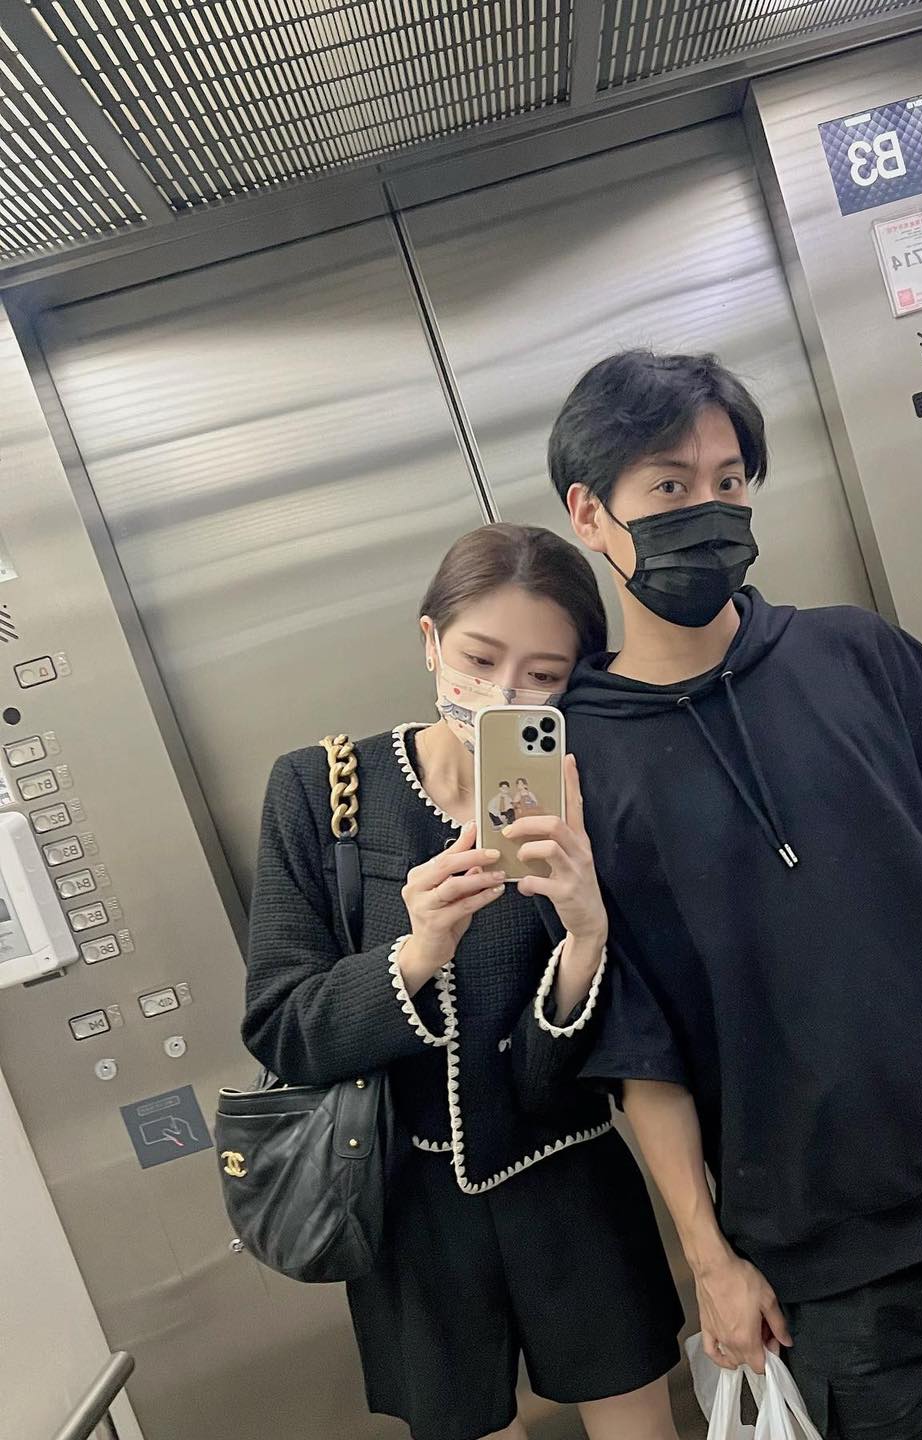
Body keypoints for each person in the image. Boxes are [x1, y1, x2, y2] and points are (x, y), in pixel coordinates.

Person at [544, 349, 922, 1439]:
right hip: (828, 1268)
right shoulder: (576, 766)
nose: (709, 510)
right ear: (591, 514)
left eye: (730, 480)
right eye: (670, 486)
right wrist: (709, 1257)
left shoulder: (858, 655)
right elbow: (641, 1051)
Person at [242, 523, 683, 1440]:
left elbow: (619, 1048)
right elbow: (282, 1026)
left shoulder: (588, 794)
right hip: (404, 1209)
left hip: (572, 1184)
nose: (503, 693)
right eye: (480, 659)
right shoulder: (323, 789)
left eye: (542, 675)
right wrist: (416, 953)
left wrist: (587, 934)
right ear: (431, 641)